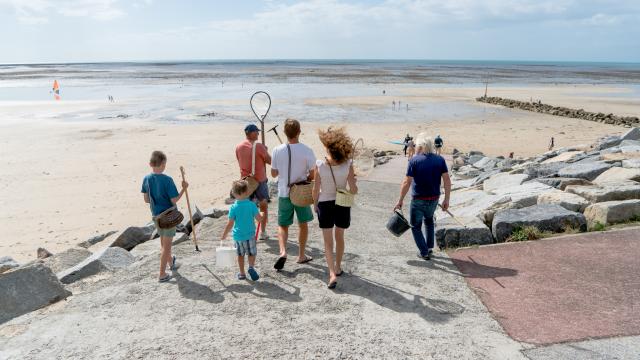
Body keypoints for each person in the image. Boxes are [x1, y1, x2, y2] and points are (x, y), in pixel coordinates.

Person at [312, 127, 358, 289]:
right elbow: (353, 190)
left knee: (327, 241)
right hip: (342, 203)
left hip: (325, 203)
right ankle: (338, 267)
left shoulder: (320, 165)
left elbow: (315, 189)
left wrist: (315, 204)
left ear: (328, 147)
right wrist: (353, 182)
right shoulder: (348, 165)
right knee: (340, 237)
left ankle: (331, 273)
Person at [394, 135, 451, 260]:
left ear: (420, 146)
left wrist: (400, 200)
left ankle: (424, 252)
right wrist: (447, 199)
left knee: (415, 226)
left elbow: (406, 182)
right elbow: (447, 180)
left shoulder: (414, 161)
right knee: (429, 220)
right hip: (434, 198)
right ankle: (429, 247)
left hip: (418, 199)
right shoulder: (440, 160)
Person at [271, 118, 316, 270]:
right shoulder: (307, 150)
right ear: (299, 132)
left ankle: (283, 252)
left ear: (284, 132)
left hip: (284, 192)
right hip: (300, 192)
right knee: (303, 224)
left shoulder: (277, 150)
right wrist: (306, 178)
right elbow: (313, 174)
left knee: (283, 225)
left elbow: (273, 173)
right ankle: (301, 255)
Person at [141, 151, 188, 282]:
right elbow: (174, 200)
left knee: (163, 243)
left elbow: (146, 199)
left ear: (150, 164)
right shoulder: (167, 180)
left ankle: (171, 264)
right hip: (169, 217)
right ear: (163, 164)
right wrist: (184, 189)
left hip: (156, 216)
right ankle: (162, 274)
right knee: (167, 247)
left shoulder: (146, 179)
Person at [235, 124, 272, 240]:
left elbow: (240, 160)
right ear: (250, 133)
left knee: (246, 207)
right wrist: (265, 150)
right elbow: (270, 161)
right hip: (259, 180)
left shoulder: (239, 146)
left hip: (245, 181)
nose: (258, 133)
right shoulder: (259, 146)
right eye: (256, 132)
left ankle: (248, 232)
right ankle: (263, 232)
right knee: (263, 206)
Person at [221, 180, 262, 281]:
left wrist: (224, 234)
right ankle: (251, 267)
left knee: (240, 255)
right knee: (252, 253)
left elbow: (230, 224)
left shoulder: (233, 207)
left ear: (234, 194)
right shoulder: (252, 205)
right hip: (250, 235)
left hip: (238, 237)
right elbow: (259, 219)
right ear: (247, 192)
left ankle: (242, 273)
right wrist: (262, 215)